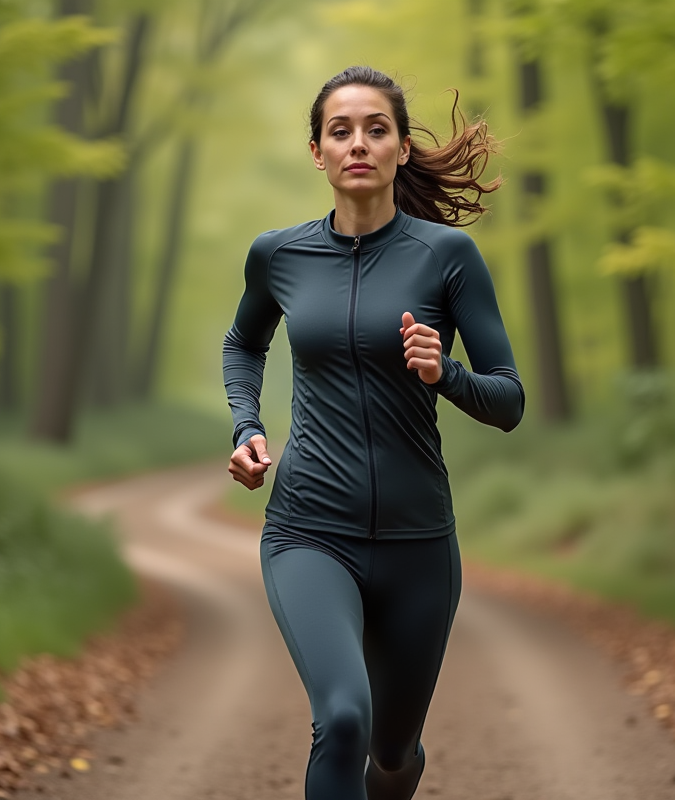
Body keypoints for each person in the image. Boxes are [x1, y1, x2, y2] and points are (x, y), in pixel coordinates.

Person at [222, 65, 524, 800]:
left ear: (401, 150)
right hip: (309, 531)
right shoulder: (279, 255)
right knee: (343, 719)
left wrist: (444, 374)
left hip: (419, 542)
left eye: (376, 128)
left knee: (392, 752)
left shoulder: (446, 257)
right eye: (341, 130)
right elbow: (243, 343)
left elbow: (508, 399)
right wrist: (248, 424)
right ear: (318, 152)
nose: (358, 142)